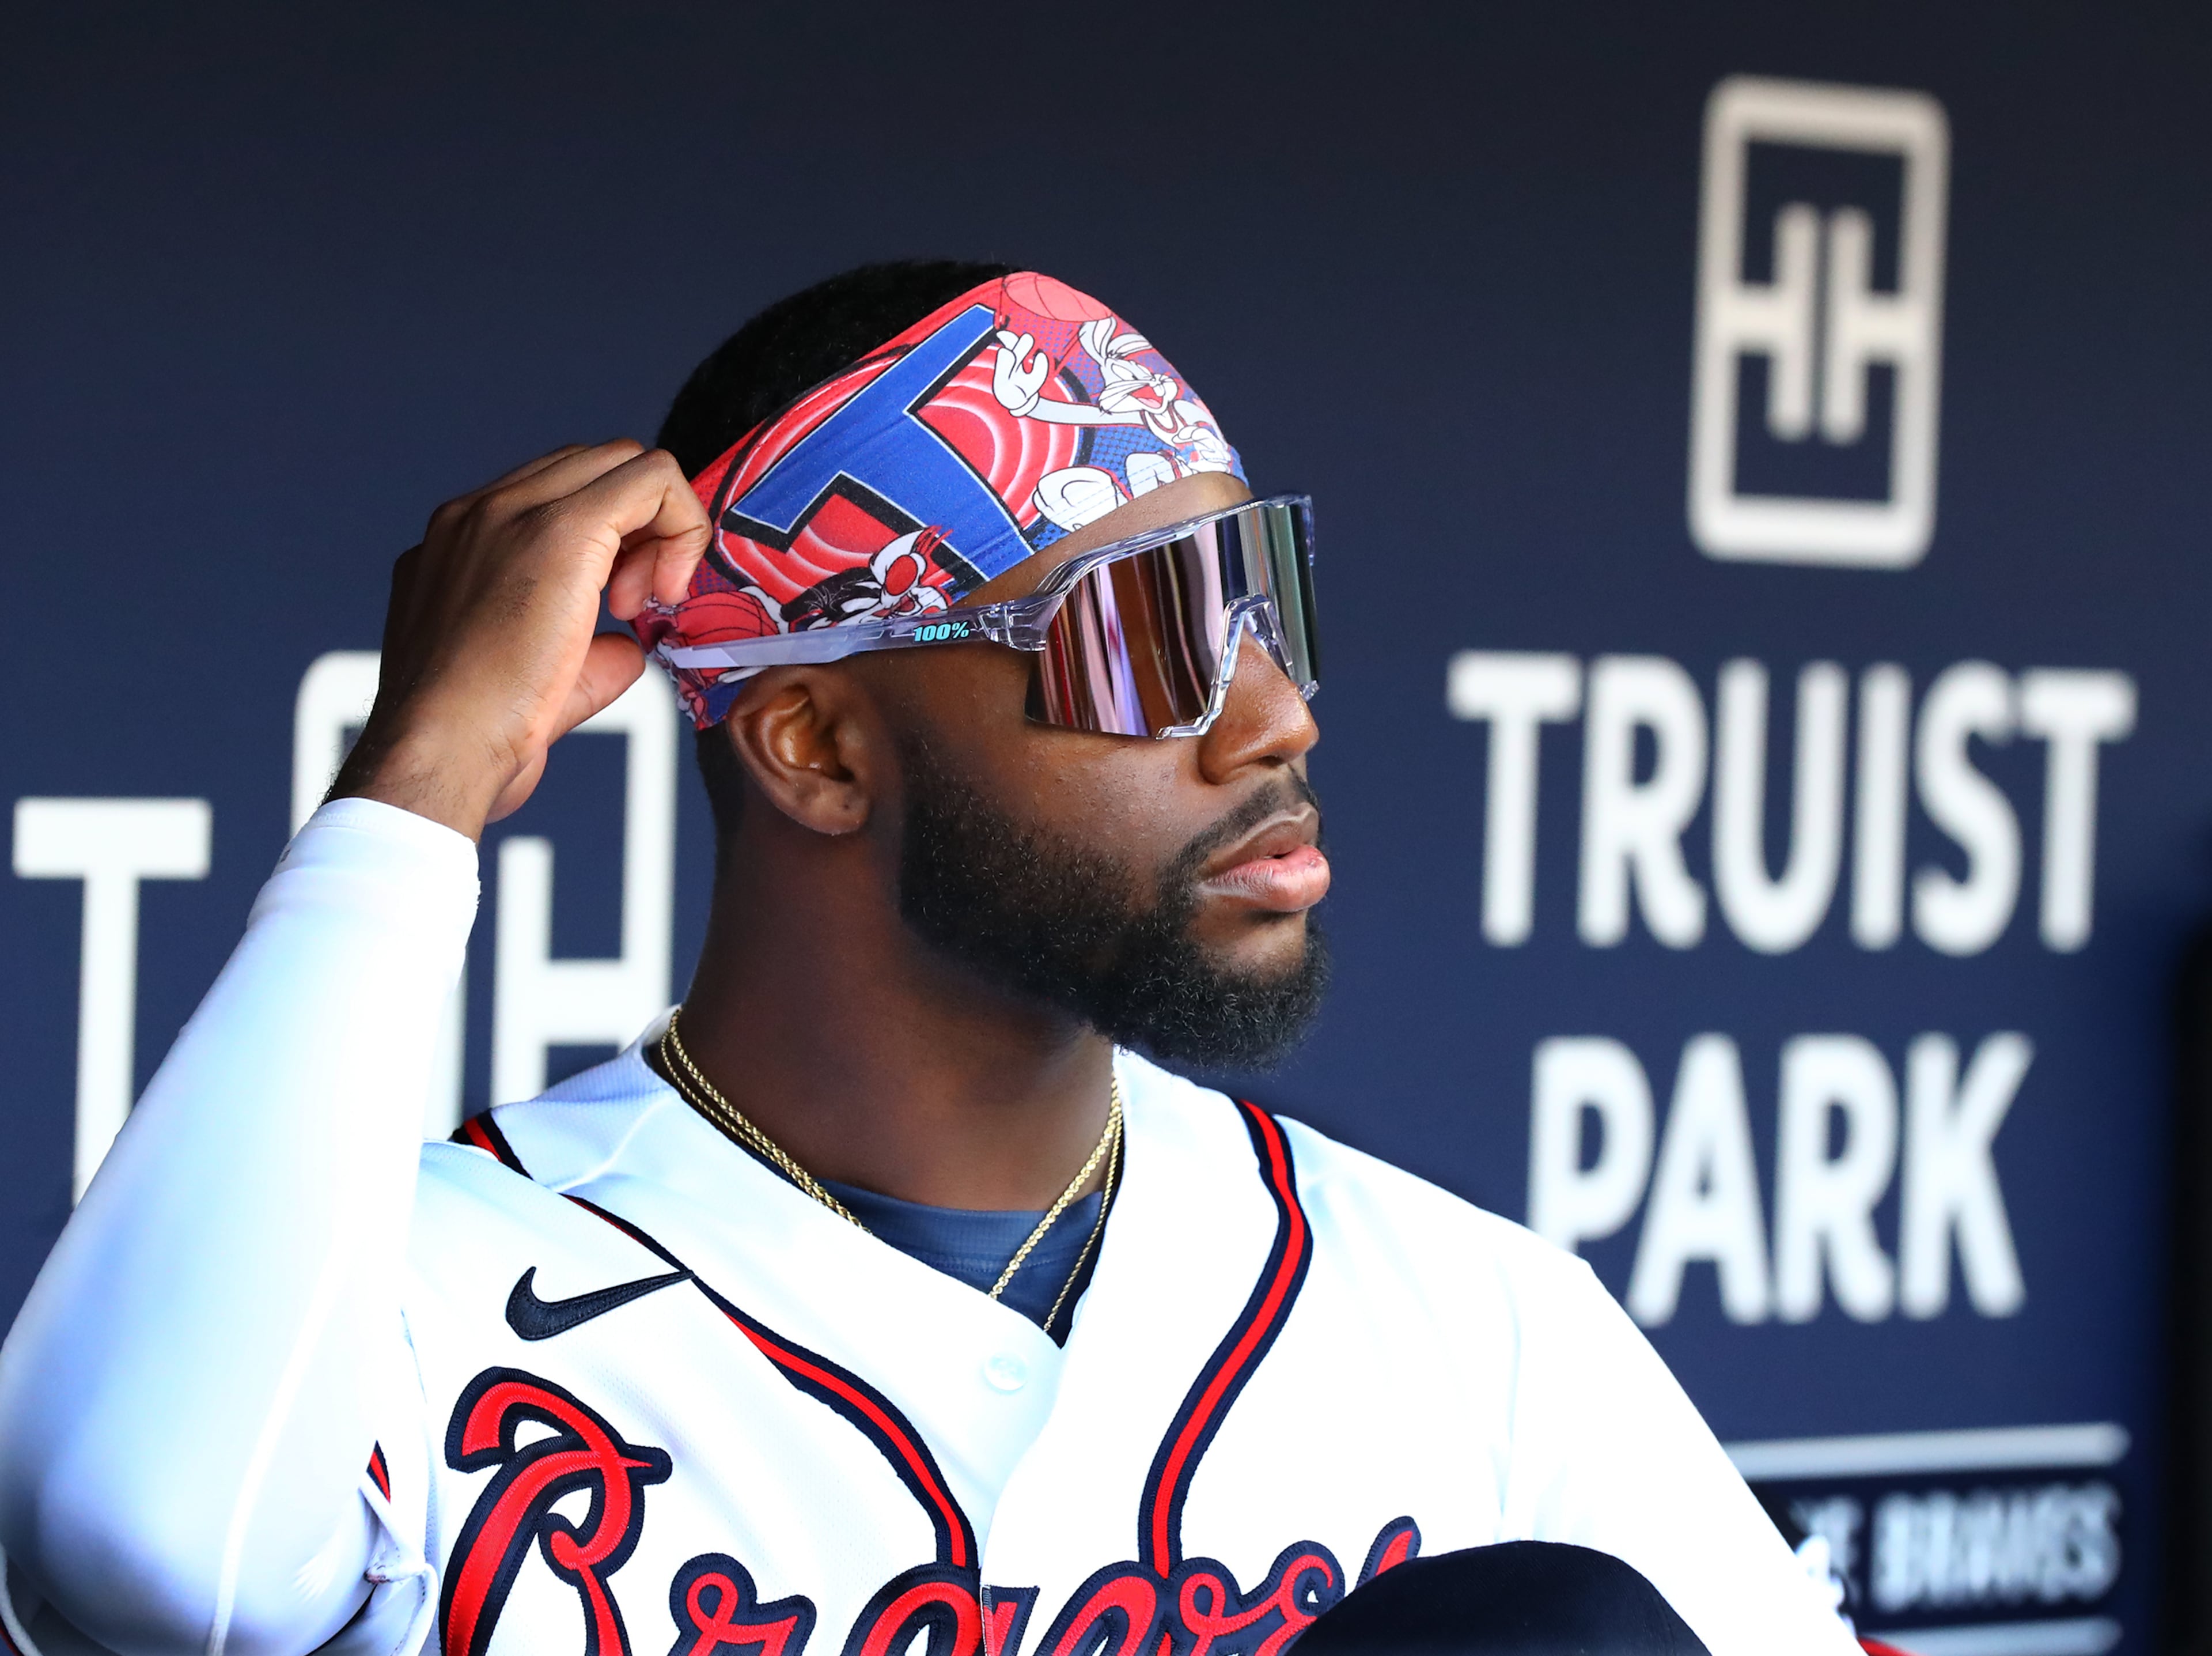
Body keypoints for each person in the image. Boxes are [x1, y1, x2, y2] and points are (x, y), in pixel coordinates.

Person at [0, 262, 1855, 1656]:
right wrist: (418, 788)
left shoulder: (1471, 1316)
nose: (1273, 715)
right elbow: (149, 1540)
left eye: (1263, 598)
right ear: (814, 745)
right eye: (1147, 636)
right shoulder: (399, 1304)